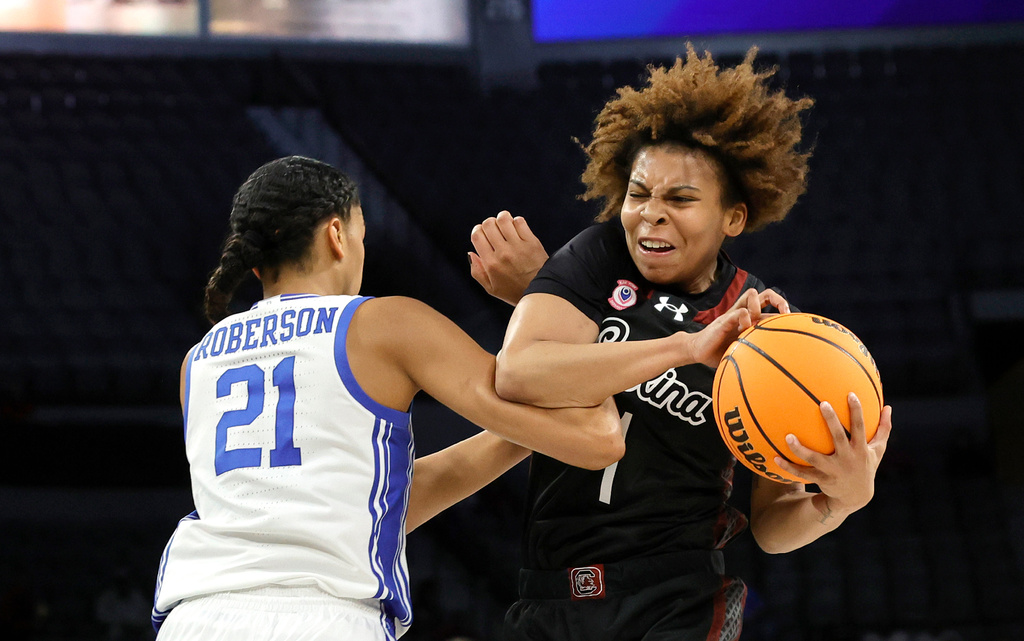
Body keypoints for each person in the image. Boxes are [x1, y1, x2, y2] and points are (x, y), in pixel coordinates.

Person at [469, 47, 893, 641]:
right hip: (546, 594)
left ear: (734, 218)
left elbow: (773, 526)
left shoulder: (763, 324)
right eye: (639, 194)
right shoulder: (596, 257)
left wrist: (838, 502)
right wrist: (686, 348)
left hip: (677, 599)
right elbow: (519, 376)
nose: (650, 217)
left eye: (681, 200)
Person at [150, 156, 625, 641]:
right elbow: (595, 439)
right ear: (337, 234)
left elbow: (375, 502)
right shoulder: (382, 324)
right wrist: (543, 297)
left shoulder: (199, 361)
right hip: (323, 618)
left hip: (195, 617)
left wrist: (524, 430)